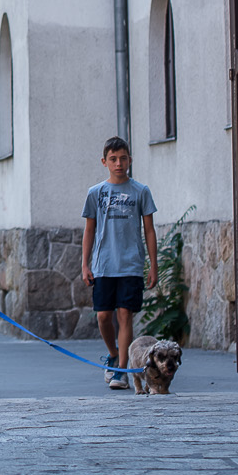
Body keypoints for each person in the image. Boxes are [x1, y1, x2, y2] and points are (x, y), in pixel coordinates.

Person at [80, 136, 158, 390]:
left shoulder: (140, 191)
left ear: (130, 160)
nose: (119, 163)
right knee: (104, 316)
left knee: (125, 315)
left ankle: (120, 370)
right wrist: (85, 264)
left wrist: (153, 265)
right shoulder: (96, 193)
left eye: (123, 158)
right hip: (104, 264)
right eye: (113, 159)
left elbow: (149, 230)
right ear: (104, 162)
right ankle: (114, 353)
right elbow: (89, 230)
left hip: (131, 264)